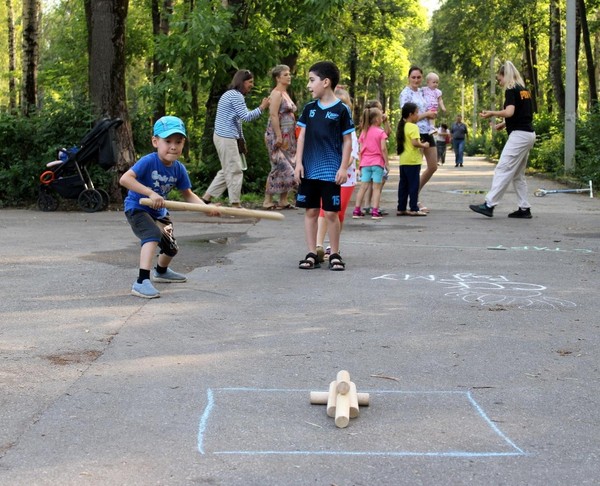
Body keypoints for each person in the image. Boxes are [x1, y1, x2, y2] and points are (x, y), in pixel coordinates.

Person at [120, 116, 215, 299]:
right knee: (152, 235)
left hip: (159, 211)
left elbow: (188, 195)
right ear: (155, 142)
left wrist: (205, 208)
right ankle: (141, 281)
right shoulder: (149, 161)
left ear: (183, 143)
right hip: (138, 208)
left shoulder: (178, 168)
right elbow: (125, 179)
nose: (173, 146)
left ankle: (161, 272)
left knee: (171, 247)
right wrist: (150, 193)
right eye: (168, 141)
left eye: (178, 142)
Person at [294, 61, 355, 271]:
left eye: (312, 80)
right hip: (309, 170)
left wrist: (343, 167)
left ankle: (335, 253)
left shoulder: (342, 110)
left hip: (330, 171)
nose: (309, 85)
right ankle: (312, 252)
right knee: (310, 211)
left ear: (326, 82)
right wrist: (298, 163)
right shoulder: (309, 109)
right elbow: (302, 137)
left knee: (330, 213)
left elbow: (348, 141)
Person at [470, 61, 536, 219]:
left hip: (519, 135)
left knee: (503, 169)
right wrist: (505, 124)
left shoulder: (511, 89)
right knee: (518, 175)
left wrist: (492, 113)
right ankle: (524, 208)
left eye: (499, 79)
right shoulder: (524, 90)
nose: (499, 82)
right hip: (528, 134)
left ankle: (489, 204)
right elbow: (523, 114)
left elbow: (510, 111)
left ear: (505, 76)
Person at [202, 70, 269, 207]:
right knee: (235, 170)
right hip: (225, 136)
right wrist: (262, 108)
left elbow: (237, 121)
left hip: (224, 136)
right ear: (242, 82)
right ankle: (235, 204)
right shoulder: (236, 95)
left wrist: (241, 141)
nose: (252, 85)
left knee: (227, 169)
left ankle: (206, 199)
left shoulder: (231, 94)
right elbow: (246, 117)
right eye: (250, 82)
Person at [315, 88, 358, 263]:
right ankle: (317, 246)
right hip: (324, 176)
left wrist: (339, 169)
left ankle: (333, 247)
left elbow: (350, 156)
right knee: (323, 210)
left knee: (337, 213)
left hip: (345, 179)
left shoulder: (350, 131)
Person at [399, 66, 438, 212]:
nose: (416, 80)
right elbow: (407, 118)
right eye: (413, 77)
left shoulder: (423, 92)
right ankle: (415, 200)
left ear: (422, 78)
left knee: (433, 166)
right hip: (414, 132)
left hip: (427, 131)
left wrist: (433, 113)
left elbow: (435, 98)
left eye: (419, 77)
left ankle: (413, 194)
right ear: (408, 78)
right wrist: (427, 114)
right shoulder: (405, 93)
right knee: (416, 168)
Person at [262, 64, 297, 210]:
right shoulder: (276, 93)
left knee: (290, 164)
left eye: (289, 74)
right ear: (277, 78)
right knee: (279, 166)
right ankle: (267, 200)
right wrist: (278, 135)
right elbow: (274, 115)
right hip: (278, 135)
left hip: (289, 137)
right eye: (285, 74)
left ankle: (283, 199)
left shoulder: (285, 93)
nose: (289, 77)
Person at [352, 106, 389, 220]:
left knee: (363, 187)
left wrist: (360, 164)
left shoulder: (363, 132)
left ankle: (357, 210)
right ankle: (375, 211)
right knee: (376, 188)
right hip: (377, 163)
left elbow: (361, 150)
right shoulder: (381, 132)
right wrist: (386, 162)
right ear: (377, 120)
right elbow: (383, 148)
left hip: (365, 163)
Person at [396, 103, 429, 217]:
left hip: (404, 160)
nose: (418, 115)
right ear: (411, 114)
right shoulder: (414, 127)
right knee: (414, 185)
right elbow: (415, 143)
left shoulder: (402, 126)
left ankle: (401, 207)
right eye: (416, 113)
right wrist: (424, 145)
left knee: (403, 185)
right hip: (413, 161)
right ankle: (414, 208)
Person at [361, 99, 392, 215]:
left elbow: (388, 133)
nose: (382, 111)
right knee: (374, 183)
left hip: (370, 159)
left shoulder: (378, 125)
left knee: (374, 183)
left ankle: (370, 205)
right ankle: (372, 206)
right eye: (380, 108)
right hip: (377, 158)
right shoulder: (370, 126)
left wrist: (386, 121)